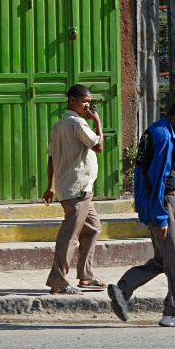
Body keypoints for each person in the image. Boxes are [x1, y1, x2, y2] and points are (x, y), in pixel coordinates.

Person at [108, 99, 175, 327]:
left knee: (165, 259)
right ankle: (173, 312)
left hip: (163, 202)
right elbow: (156, 178)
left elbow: (142, 174)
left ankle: (123, 288)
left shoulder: (152, 131)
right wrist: (158, 215)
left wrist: (146, 207)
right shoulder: (164, 136)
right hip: (167, 203)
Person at [43, 84, 105, 295]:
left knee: (93, 227)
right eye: (83, 101)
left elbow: (50, 157)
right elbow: (98, 146)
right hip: (77, 189)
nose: (87, 105)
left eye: (89, 101)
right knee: (69, 236)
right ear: (71, 101)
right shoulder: (79, 124)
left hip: (72, 189)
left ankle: (86, 275)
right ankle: (58, 281)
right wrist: (97, 121)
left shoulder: (58, 125)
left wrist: (50, 187)